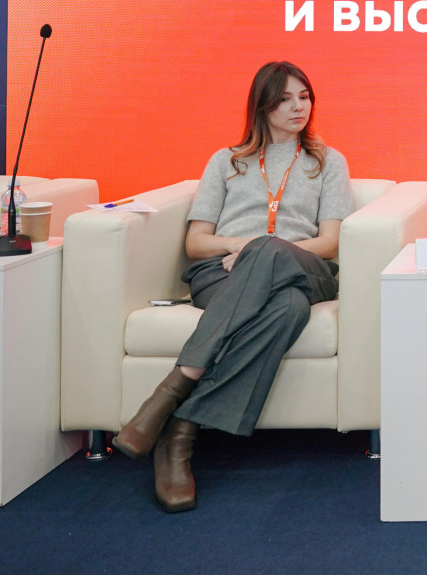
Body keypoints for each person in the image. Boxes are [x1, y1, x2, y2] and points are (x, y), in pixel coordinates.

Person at [110, 61, 353, 512]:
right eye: (285, 99)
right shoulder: (227, 161)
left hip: (305, 269)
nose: (298, 107)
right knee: (289, 309)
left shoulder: (326, 161)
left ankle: (169, 396)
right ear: (262, 106)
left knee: (271, 253)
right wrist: (243, 247)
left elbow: (329, 242)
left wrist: (265, 250)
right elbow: (196, 242)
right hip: (223, 273)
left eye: (304, 97)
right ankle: (179, 436)